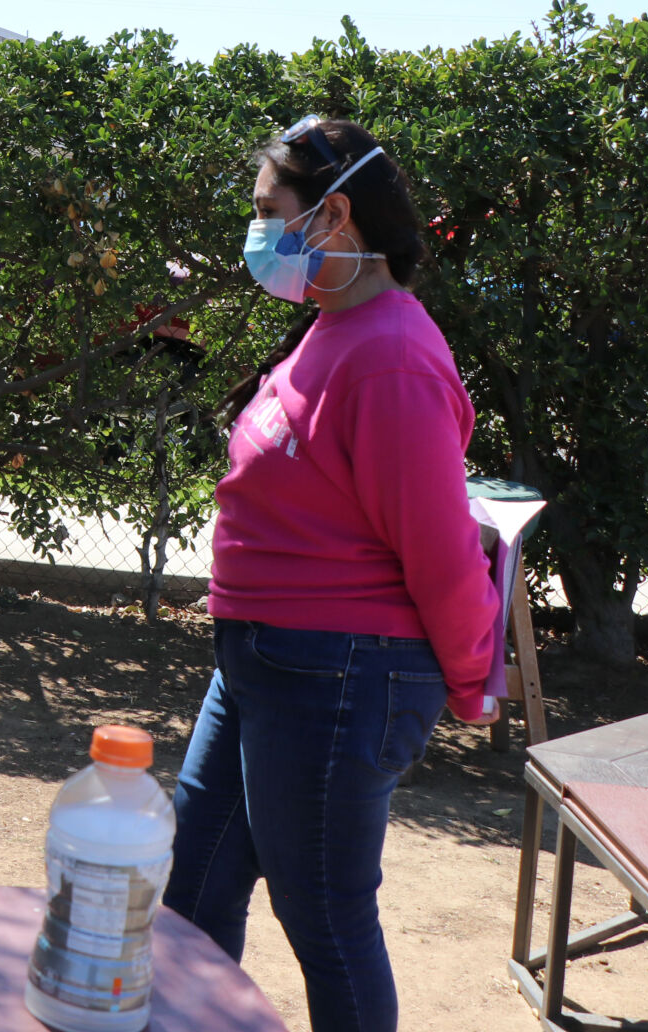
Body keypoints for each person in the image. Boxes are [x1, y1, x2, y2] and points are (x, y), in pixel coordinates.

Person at [162, 116, 501, 1032]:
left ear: (334, 215)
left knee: (323, 917)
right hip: (266, 665)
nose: (257, 233)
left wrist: (472, 677)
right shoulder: (335, 325)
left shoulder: (391, 355)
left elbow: (438, 547)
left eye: (269, 211)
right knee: (194, 887)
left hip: (341, 674)